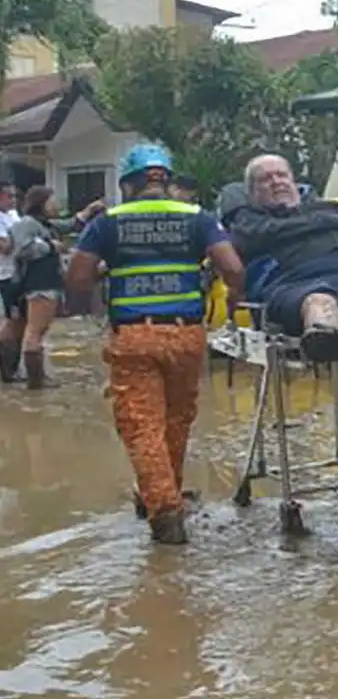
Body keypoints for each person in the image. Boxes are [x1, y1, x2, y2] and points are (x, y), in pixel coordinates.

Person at [66, 144, 244, 544]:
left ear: (129, 183)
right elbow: (233, 269)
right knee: (176, 421)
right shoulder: (197, 217)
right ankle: (163, 492)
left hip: (134, 336)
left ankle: (164, 514)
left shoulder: (109, 222)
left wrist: (107, 270)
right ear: (165, 179)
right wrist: (230, 304)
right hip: (187, 334)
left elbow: (76, 280)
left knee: (142, 425)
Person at [228, 154, 338, 361]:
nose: (276, 182)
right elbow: (256, 236)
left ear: (292, 179)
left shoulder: (332, 208)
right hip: (302, 281)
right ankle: (332, 349)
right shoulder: (249, 221)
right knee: (320, 306)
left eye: (281, 175)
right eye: (265, 179)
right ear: (252, 191)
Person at [7, 186, 103, 389]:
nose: (55, 205)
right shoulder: (27, 223)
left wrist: (88, 211)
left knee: (35, 330)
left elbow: (69, 225)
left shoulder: (45, 224)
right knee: (36, 330)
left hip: (42, 282)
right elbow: (21, 248)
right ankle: (35, 381)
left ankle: (31, 376)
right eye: (51, 201)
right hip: (38, 283)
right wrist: (51, 246)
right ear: (40, 203)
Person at [0, 181, 19, 382]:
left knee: (17, 322)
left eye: (15, 196)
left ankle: (12, 368)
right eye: (9, 196)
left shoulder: (13, 215)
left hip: (17, 275)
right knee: (8, 323)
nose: (13, 200)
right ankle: (7, 371)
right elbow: (4, 247)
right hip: (3, 276)